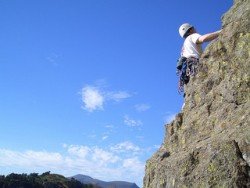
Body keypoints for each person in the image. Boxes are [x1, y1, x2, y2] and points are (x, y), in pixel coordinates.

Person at [178, 23, 221, 109]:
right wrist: (221, 32)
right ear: (190, 30)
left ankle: (186, 103)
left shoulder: (184, 46)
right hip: (194, 64)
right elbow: (203, 38)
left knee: (191, 89)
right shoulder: (192, 36)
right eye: (193, 28)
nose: (195, 29)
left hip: (187, 70)